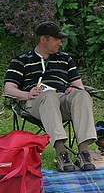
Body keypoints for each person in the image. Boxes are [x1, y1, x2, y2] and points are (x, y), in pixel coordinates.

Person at [4, 22, 97, 172]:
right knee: (49, 96)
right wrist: (27, 94)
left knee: (82, 95)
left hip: (61, 99)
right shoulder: (21, 59)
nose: (60, 43)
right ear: (43, 40)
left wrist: (73, 89)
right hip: (35, 101)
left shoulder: (65, 59)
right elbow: (9, 88)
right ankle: (61, 153)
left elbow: (79, 85)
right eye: (56, 39)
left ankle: (84, 152)